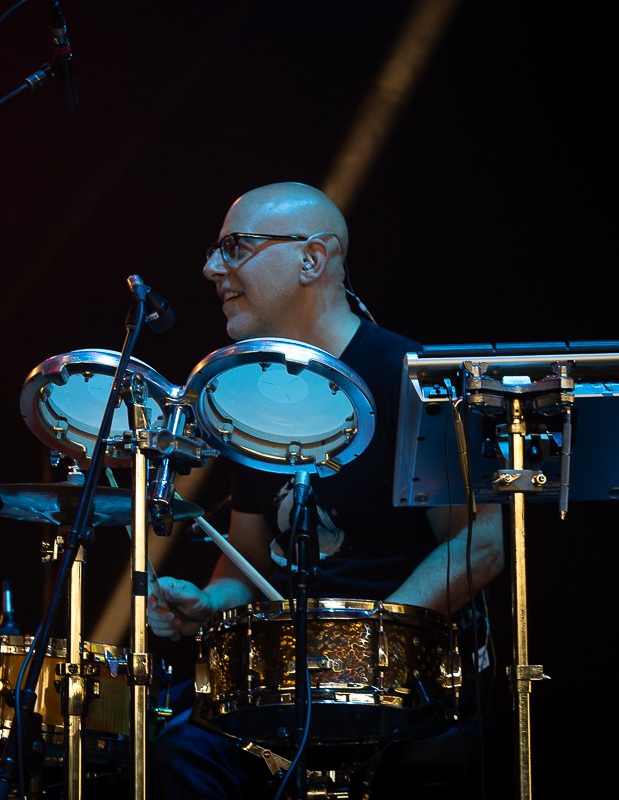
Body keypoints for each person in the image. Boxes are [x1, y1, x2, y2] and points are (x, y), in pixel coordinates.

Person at [146, 182, 507, 799]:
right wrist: (209, 602)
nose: (212, 269)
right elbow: (248, 559)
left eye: (234, 248)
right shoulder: (248, 396)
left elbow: (482, 542)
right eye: (215, 251)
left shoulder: (410, 378)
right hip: (290, 679)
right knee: (175, 744)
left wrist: (368, 644)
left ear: (311, 259)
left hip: (409, 683)